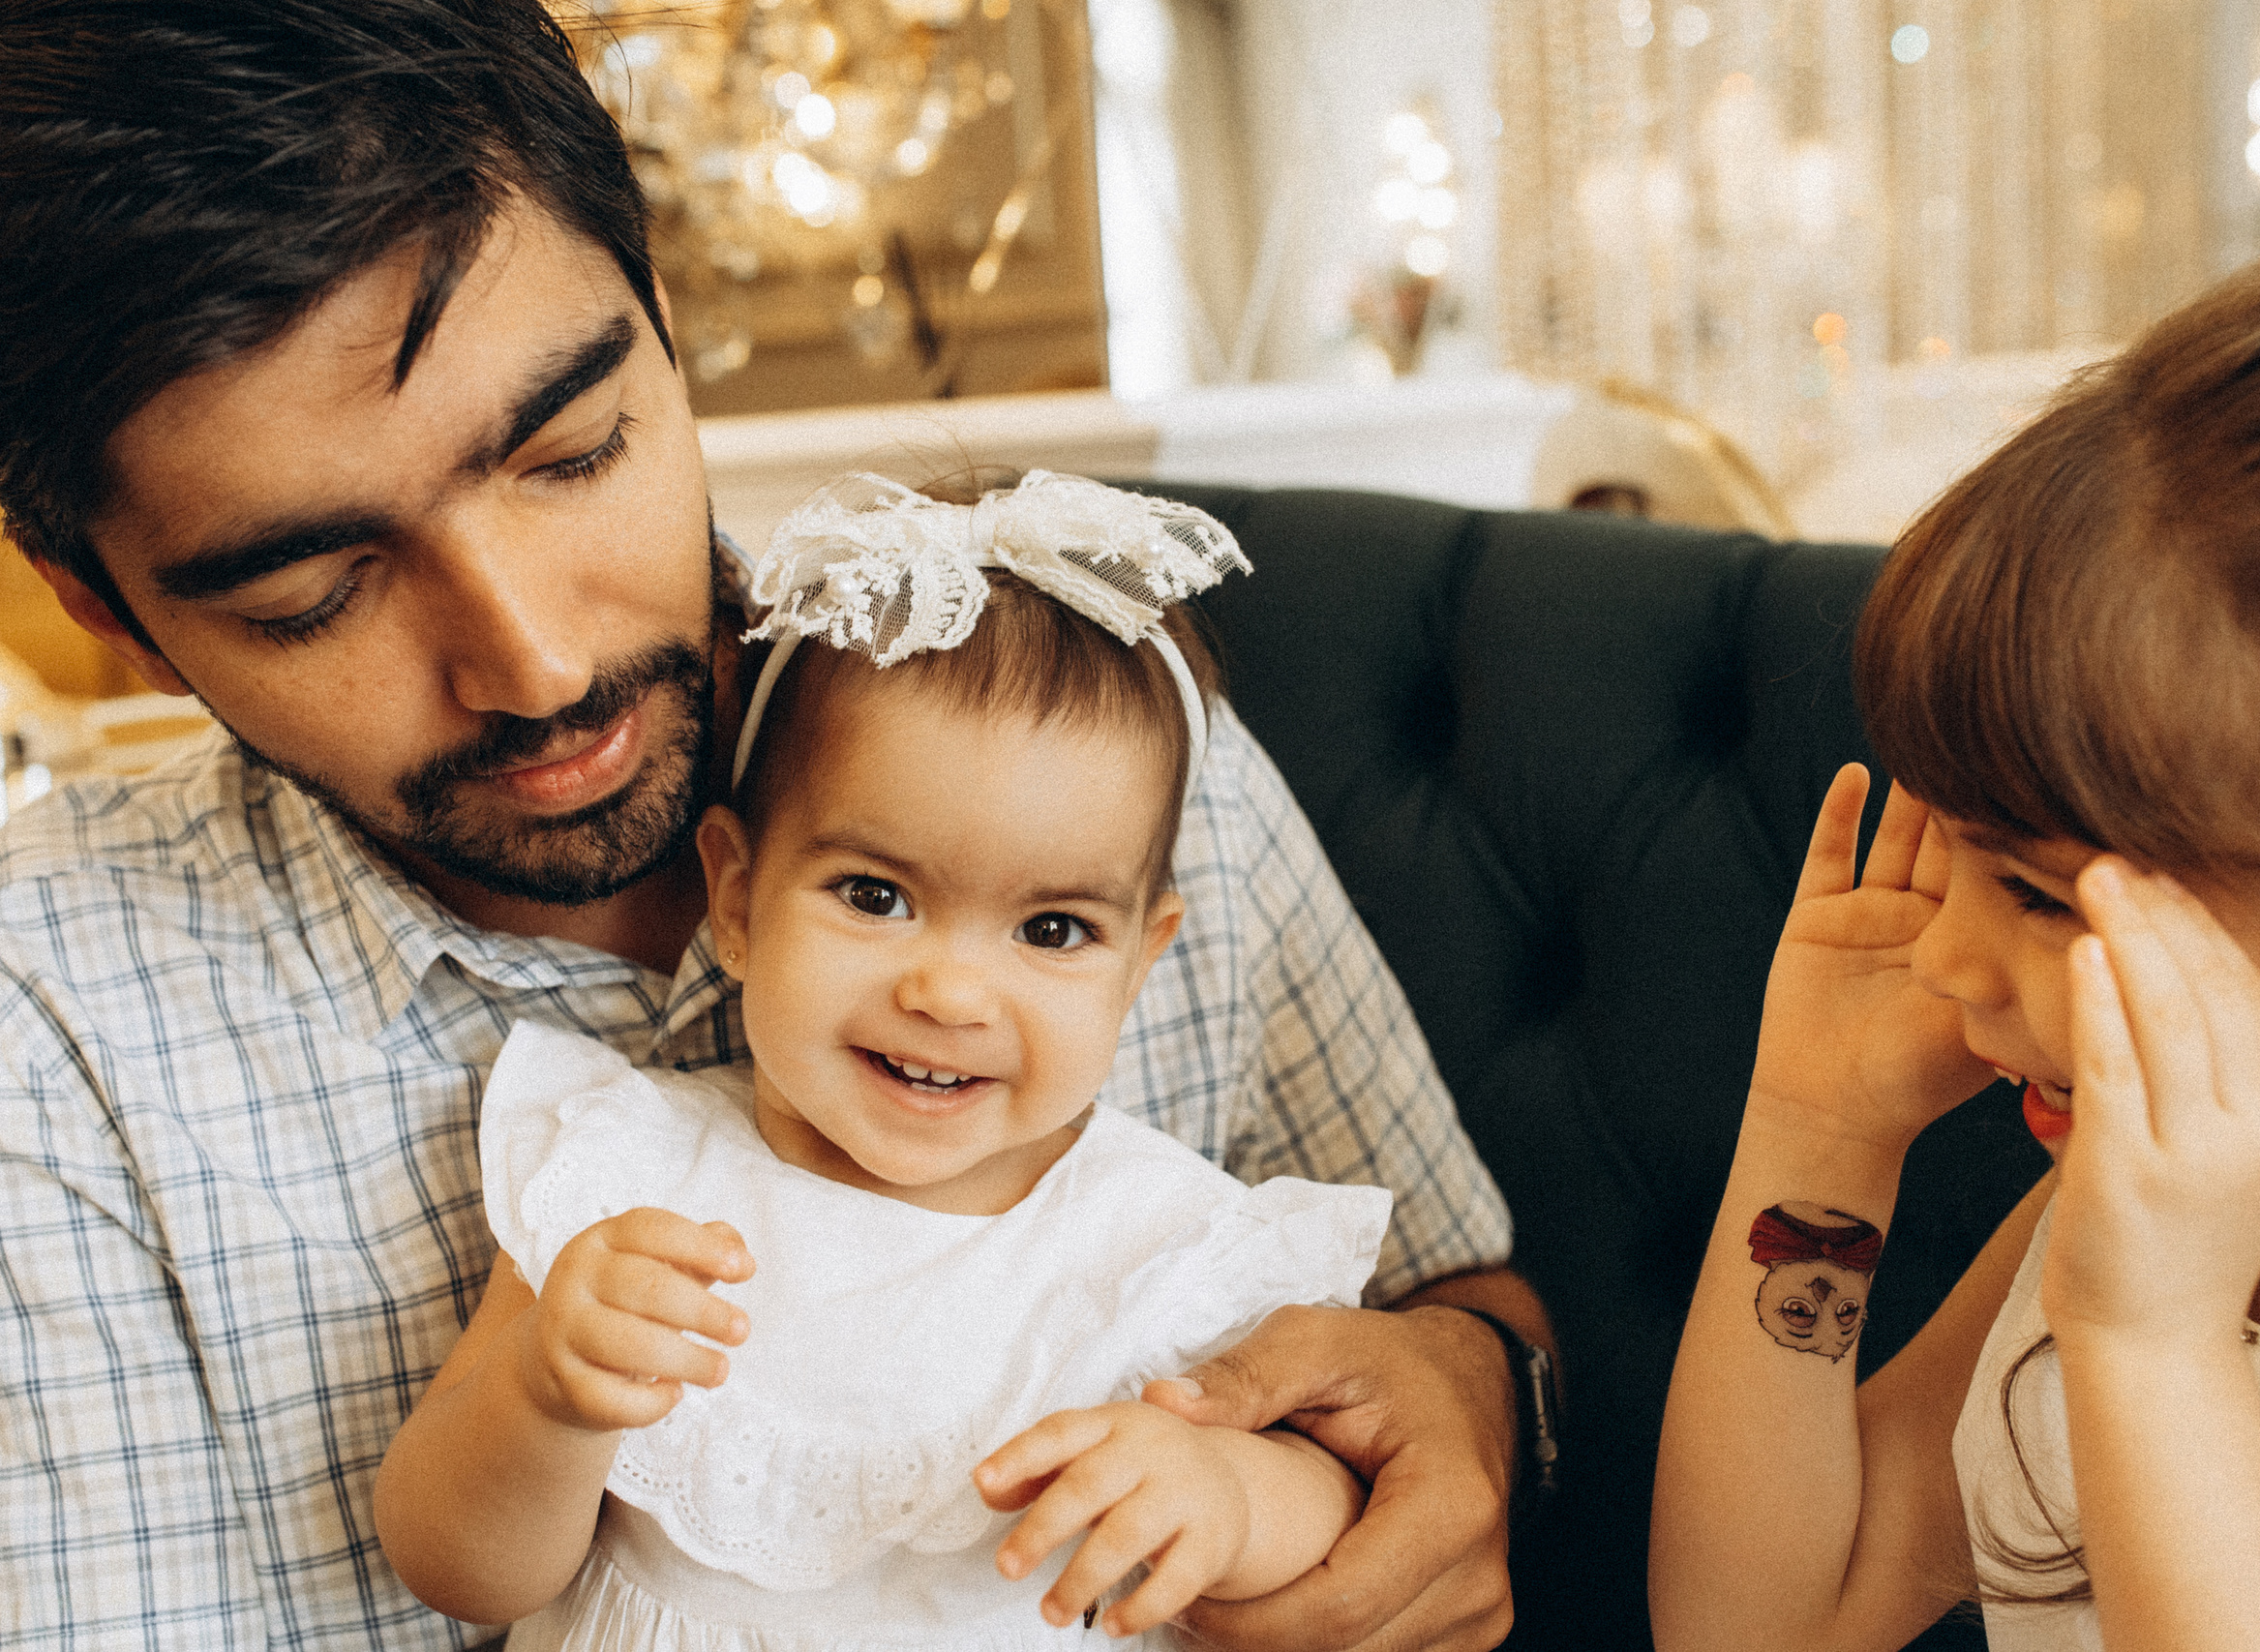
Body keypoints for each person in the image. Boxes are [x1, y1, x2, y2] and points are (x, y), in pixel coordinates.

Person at [0, 5, 1547, 1646]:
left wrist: (1468, 1398)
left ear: (663, 321)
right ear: (110, 611)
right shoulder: (50, 1035)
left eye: (572, 454)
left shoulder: (1107, 758)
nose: (538, 663)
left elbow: (1457, 1298)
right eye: (318, 592)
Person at [377, 472, 1395, 1648]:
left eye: (1051, 928)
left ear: (1138, 963)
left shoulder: (1165, 1252)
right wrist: (542, 1401)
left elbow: (1336, 1518)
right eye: (875, 896)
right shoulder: (628, 1185)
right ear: (738, 899)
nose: (949, 995)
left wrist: (1233, 1496)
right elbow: (459, 1570)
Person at [1648, 243, 2260, 1652]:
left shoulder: (2146, 1268)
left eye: (2038, 895)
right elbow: (1765, 1628)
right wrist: (1815, 1134)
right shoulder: (2108, 1219)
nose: (1943, 960)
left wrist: (2154, 1350)